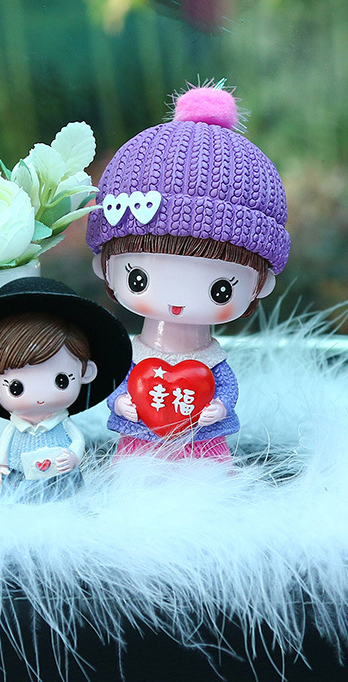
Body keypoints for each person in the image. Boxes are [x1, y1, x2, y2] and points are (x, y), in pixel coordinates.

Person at [85, 83, 290, 460]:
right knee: (134, 467)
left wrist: (221, 407)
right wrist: (120, 403)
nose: (177, 302)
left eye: (220, 289)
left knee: (208, 470)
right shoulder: (136, 354)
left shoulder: (210, 360)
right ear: (104, 267)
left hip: (203, 440)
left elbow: (225, 386)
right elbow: (119, 384)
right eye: (139, 279)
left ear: (261, 285)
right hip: (140, 438)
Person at [0, 277, 131, 502]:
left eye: (61, 381)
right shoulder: (14, 428)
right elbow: (4, 448)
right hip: (21, 476)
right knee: (19, 500)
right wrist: (1, 465)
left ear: (85, 373)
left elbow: (78, 441)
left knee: (67, 499)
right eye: (16, 387)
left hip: (61, 476)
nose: (41, 396)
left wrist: (73, 457)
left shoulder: (63, 424)